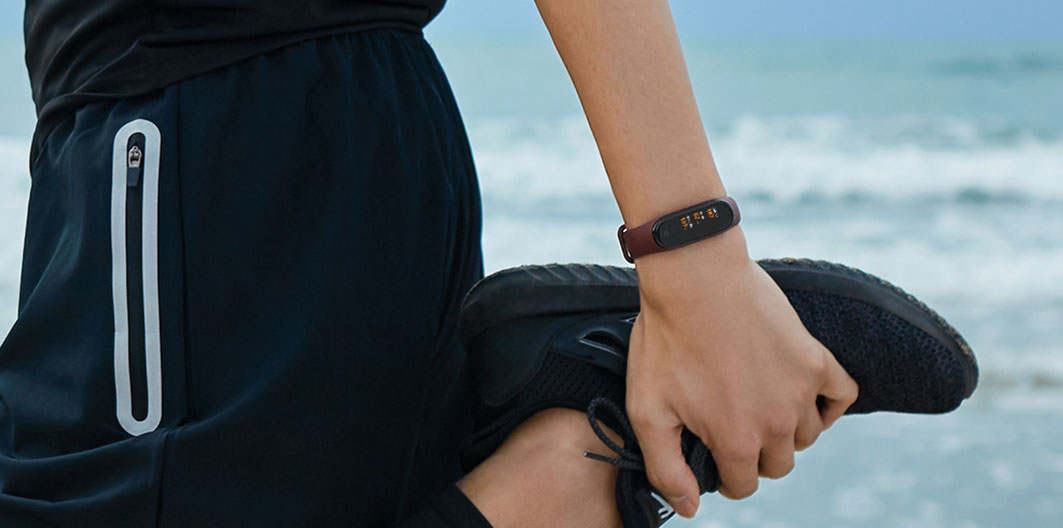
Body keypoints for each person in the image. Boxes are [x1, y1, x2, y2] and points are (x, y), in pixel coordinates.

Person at [0, 0, 857, 526]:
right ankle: (553, 491)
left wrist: (692, 256)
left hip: (214, 136)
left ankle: (560, 484)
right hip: (222, 144)